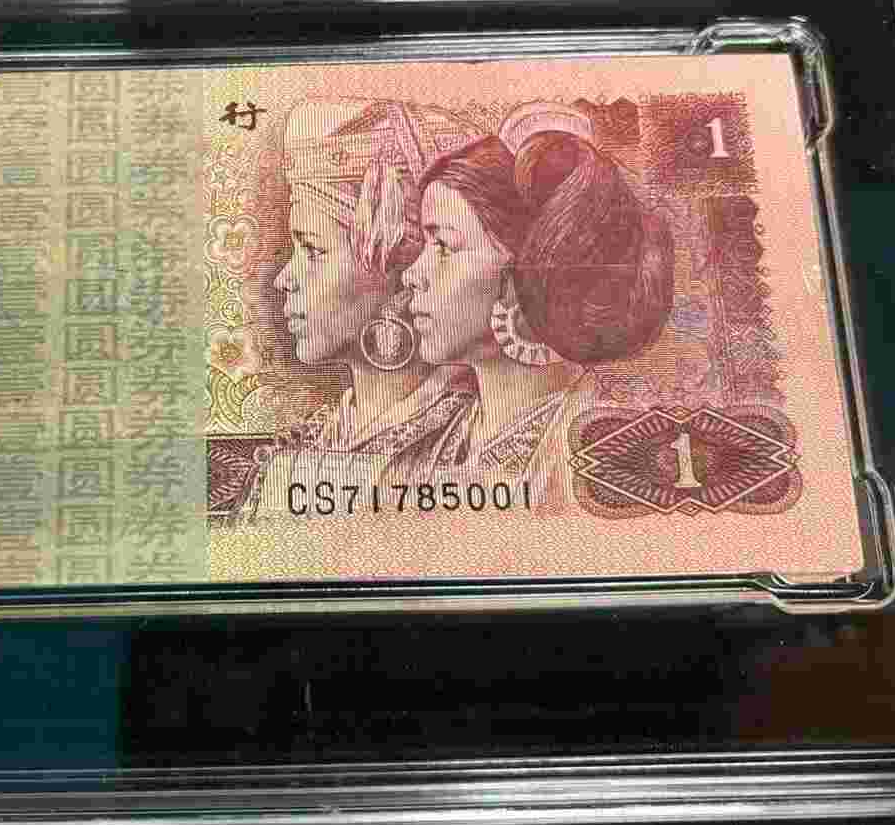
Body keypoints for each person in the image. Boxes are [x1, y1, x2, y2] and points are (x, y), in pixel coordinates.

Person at [399, 101, 674, 503]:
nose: (411, 275)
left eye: (443, 245)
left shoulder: (601, 449)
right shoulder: (425, 443)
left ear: (526, 272)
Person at [242, 99, 482, 514]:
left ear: (400, 272)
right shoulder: (311, 443)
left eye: (313, 249)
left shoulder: (472, 443)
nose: (284, 279)